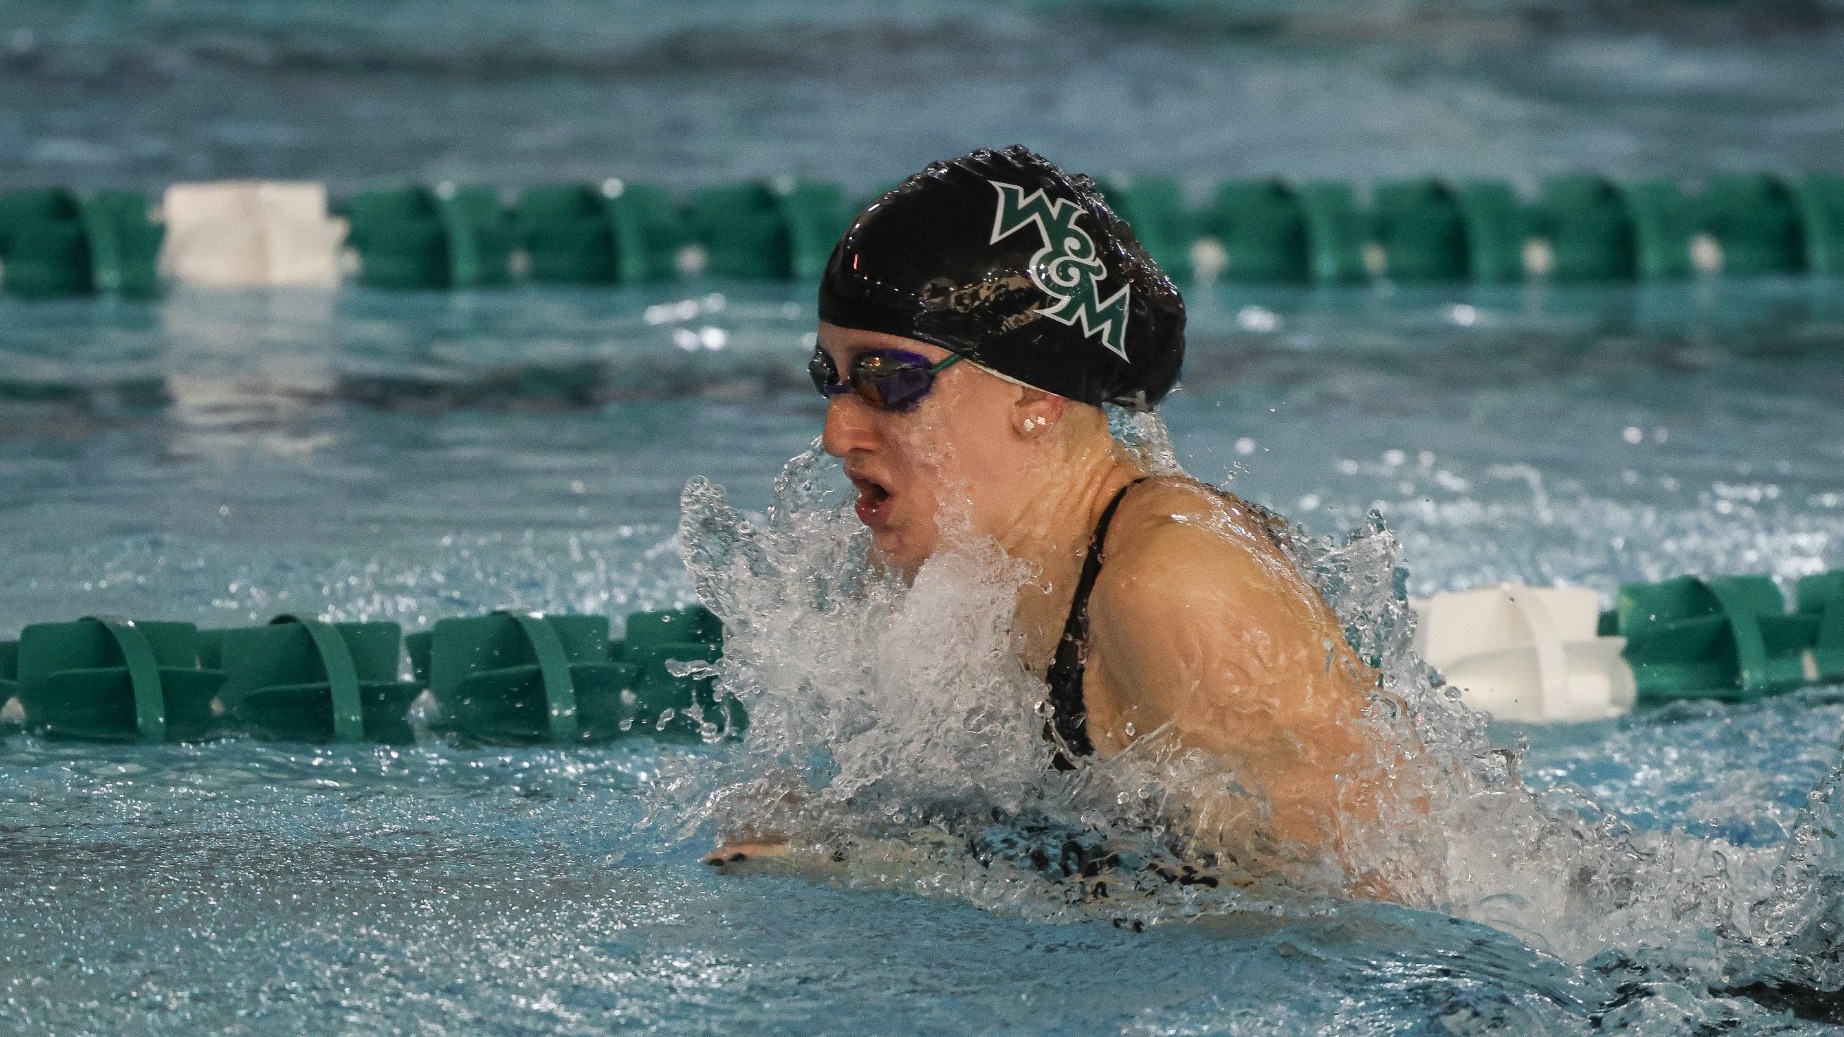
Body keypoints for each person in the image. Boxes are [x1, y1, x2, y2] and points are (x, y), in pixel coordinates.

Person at [709, 146, 1401, 891]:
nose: (837, 433)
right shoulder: (961, 565)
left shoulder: (1175, 587)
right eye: (832, 378)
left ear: (1036, 395)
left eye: (888, 381)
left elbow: (1360, 902)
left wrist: (875, 865)